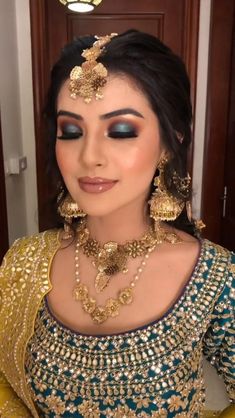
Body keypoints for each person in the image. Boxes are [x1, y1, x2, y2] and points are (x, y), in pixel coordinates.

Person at [0, 29, 234, 418]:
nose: (89, 156)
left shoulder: (216, 277)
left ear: (169, 141)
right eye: (71, 131)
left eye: (121, 130)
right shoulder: (24, 264)